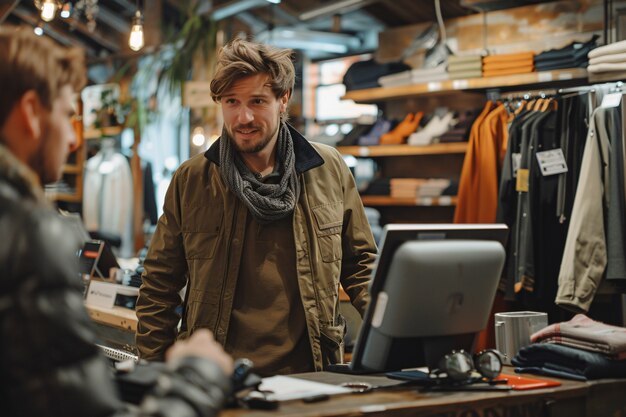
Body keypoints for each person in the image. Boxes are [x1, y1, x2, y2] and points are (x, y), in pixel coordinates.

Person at [0, 26, 233, 416]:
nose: (73, 140)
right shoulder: (27, 236)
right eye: (65, 115)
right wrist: (198, 374)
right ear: (29, 113)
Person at [136, 38, 377, 376]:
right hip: (216, 378)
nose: (243, 117)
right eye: (231, 102)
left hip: (312, 373)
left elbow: (362, 266)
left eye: (257, 101)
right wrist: (155, 374)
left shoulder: (328, 168)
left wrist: (399, 340)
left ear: (283, 99)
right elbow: (158, 286)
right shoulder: (193, 180)